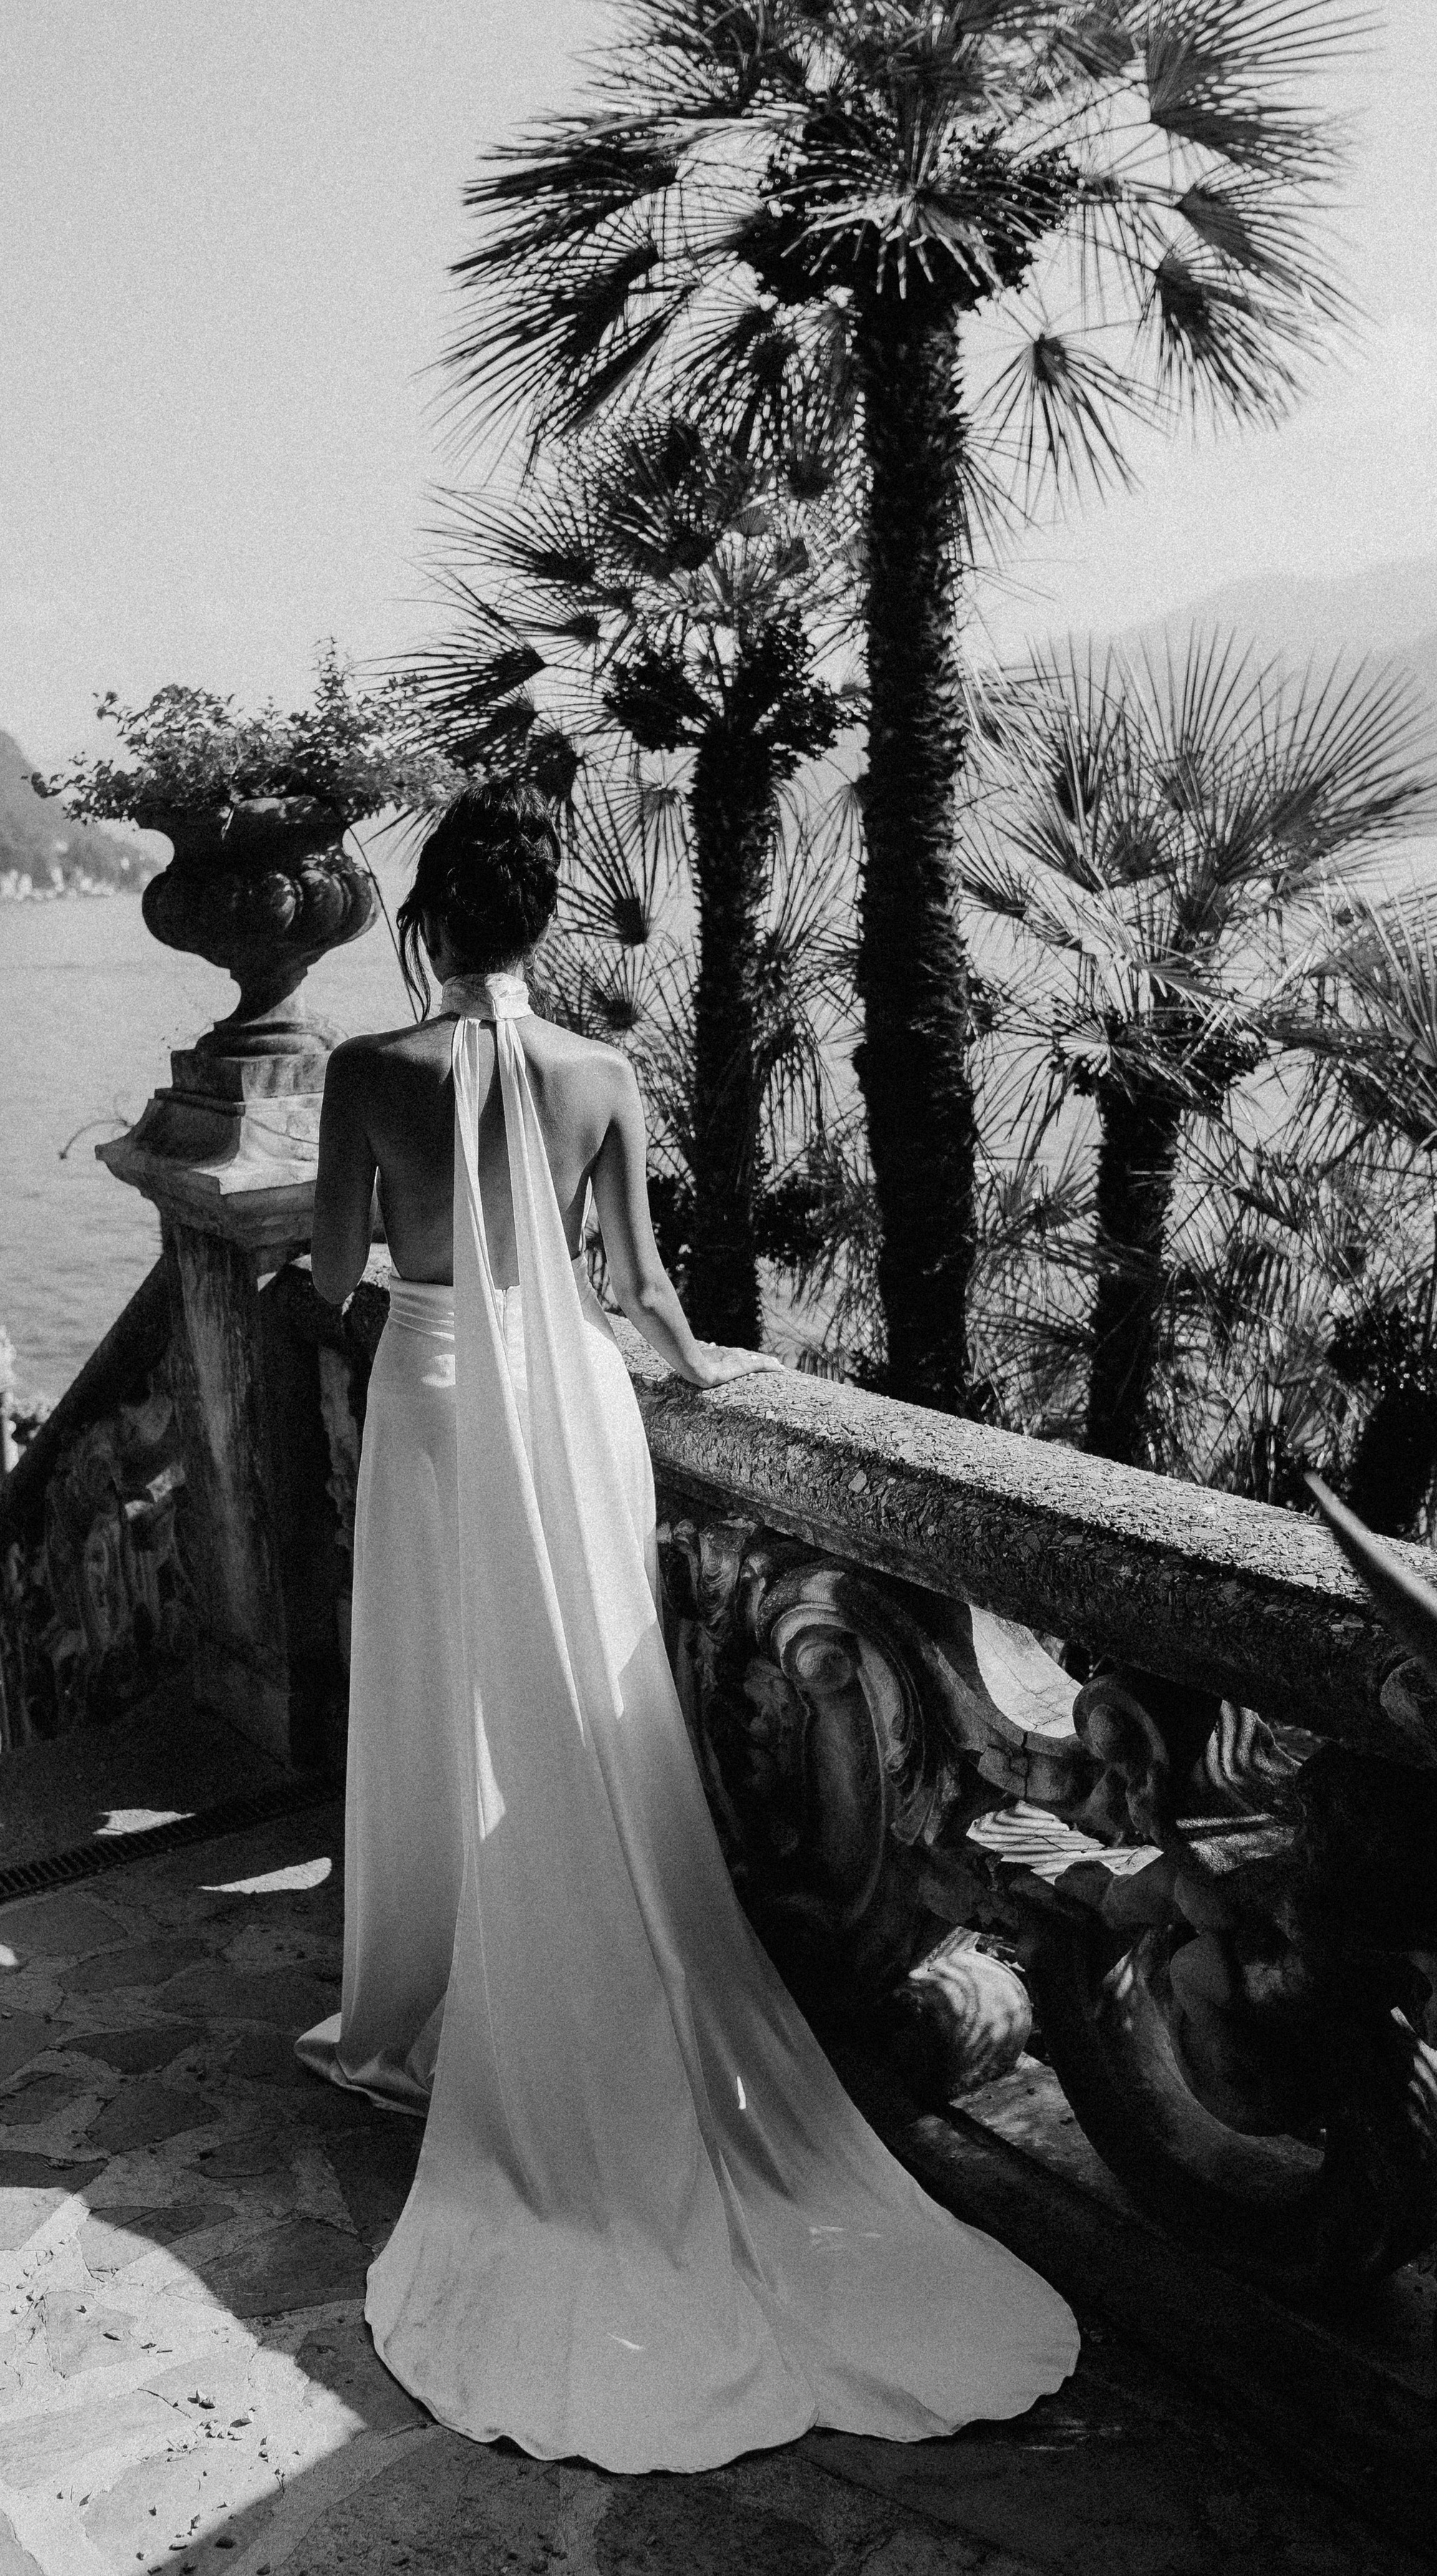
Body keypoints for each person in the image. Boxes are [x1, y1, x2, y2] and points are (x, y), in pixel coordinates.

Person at [297, 779, 1078, 2474]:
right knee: (587, 1685)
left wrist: (370, 1294)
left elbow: (332, 1268)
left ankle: (427, 1993)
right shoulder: (599, 1073)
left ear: (432, 916)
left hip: (435, 1390)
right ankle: (575, 1962)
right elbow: (640, 1286)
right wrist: (686, 1386)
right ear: (543, 917)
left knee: (442, 1691)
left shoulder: (372, 1073)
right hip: (570, 1399)